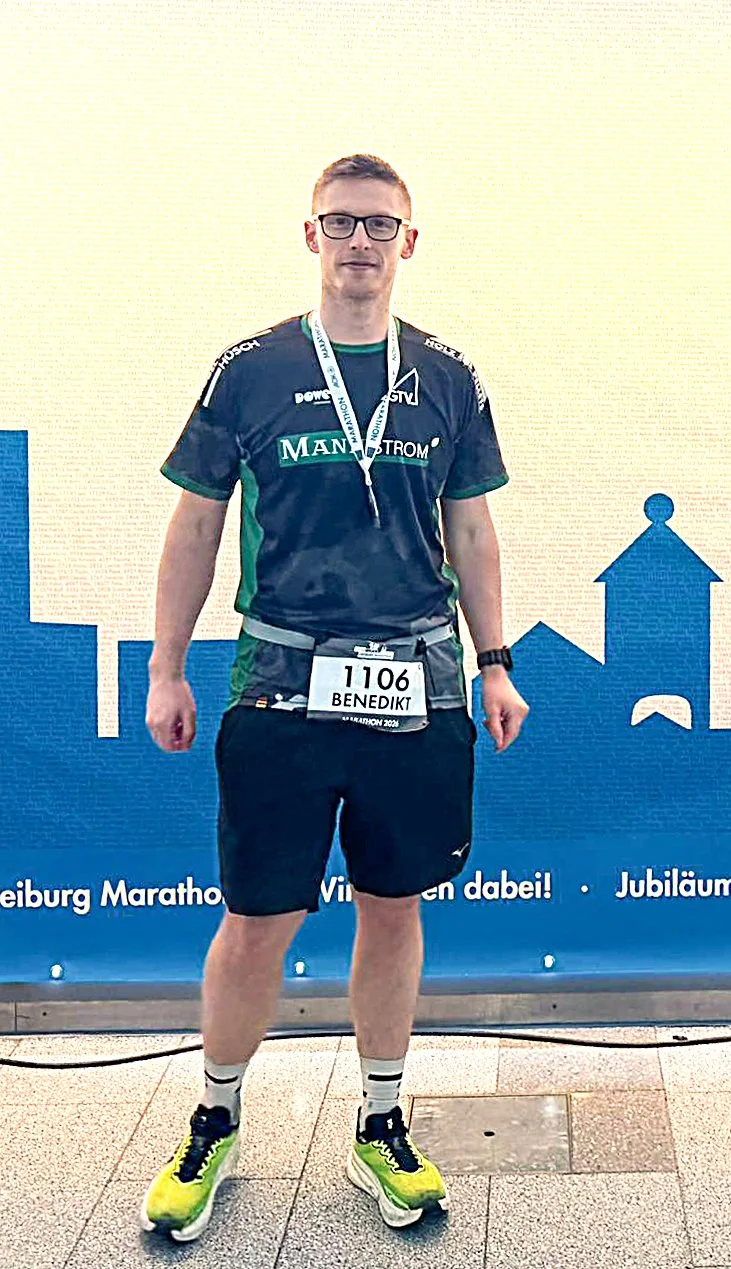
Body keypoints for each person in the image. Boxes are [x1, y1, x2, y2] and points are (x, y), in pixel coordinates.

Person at [141, 153, 529, 1242]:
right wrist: (166, 667)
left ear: (409, 241)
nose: (361, 241)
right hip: (281, 687)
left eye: (380, 224)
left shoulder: (449, 379)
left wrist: (495, 661)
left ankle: (382, 1122)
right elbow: (196, 523)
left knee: (393, 905)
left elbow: (471, 529)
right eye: (342, 222)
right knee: (257, 918)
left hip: (418, 686)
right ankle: (214, 1120)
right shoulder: (249, 372)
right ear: (310, 235)